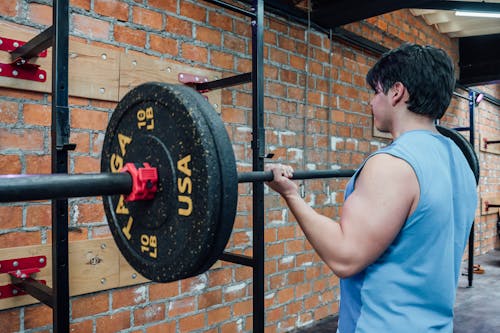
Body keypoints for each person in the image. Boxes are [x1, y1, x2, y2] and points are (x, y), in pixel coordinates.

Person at [265, 43, 477, 332]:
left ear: (397, 92)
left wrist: (290, 194)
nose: (371, 102)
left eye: (376, 91)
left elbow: (345, 256)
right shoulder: (459, 160)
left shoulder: (391, 165)